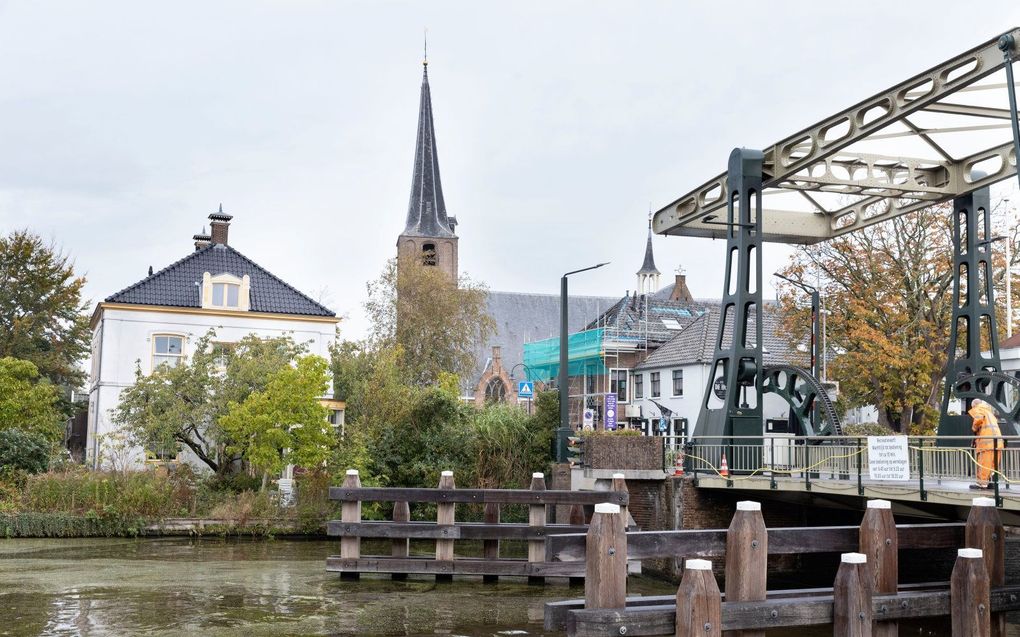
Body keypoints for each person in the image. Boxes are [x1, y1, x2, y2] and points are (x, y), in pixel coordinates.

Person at [968, 398, 1003, 490]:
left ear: (974, 405)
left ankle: (981, 484)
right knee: (993, 465)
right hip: (997, 442)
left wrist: (974, 428)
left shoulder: (979, 409)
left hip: (987, 443)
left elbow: (978, 420)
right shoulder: (989, 412)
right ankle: (991, 483)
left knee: (984, 463)